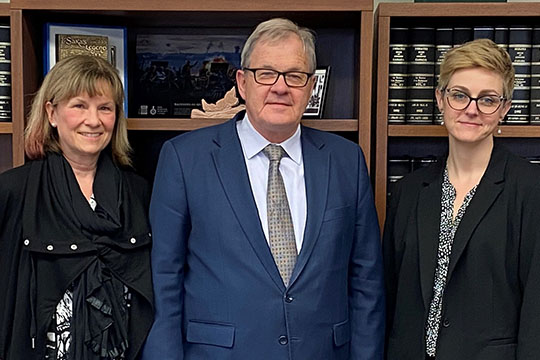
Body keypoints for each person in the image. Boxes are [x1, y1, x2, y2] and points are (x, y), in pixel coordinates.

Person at [142, 18, 384, 359]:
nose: (280, 87)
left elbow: (366, 282)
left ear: (311, 86)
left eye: (295, 76)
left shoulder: (346, 161)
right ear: (242, 82)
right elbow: (163, 279)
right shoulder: (184, 159)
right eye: (266, 73)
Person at [383, 38, 540, 360]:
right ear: (440, 99)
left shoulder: (530, 189)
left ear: (505, 109)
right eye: (459, 95)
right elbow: (391, 295)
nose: (471, 109)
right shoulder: (409, 191)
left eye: (487, 99)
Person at [0, 55, 154, 359]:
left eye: (105, 108)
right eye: (79, 105)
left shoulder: (139, 192)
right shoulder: (14, 191)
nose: (93, 120)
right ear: (52, 113)